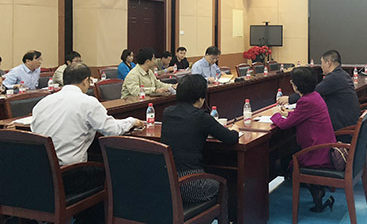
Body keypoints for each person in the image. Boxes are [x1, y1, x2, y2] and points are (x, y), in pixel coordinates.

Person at [31, 63, 143, 223]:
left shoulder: (42, 103)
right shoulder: (87, 102)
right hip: (68, 175)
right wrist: (132, 121)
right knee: (112, 173)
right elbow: (112, 130)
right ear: (86, 81)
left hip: (39, 174)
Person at [161, 75, 239, 205]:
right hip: (190, 183)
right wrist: (235, 129)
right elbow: (231, 138)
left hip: (167, 182)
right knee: (223, 184)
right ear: (201, 98)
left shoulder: (167, 112)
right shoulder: (201, 117)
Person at [271, 67, 336, 213]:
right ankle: (316, 190)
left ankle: (315, 188)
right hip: (325, 147)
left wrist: (276, 114)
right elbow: (302, 115)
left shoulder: (305, 101)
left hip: (317, 153)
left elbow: (284, 125)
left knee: (281, 163)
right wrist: (288, 114)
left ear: (296, 85)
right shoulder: (314, 96)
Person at [278, 50, 360, 140]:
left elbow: (311, 92)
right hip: (350, 125)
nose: (321, 66)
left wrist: (289, 99)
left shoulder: (334, 78)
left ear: (328, 63)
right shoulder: (343, 74)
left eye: (322, 63)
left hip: (343, 130)